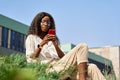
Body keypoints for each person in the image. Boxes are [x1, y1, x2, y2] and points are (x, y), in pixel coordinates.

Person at [25, 12, 106, 80]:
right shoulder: (31, 38)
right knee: (82, 46)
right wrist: (42, 43)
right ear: (38, 22)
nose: (46, 24)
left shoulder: (53, 40)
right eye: (43, 21)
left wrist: (55, 44)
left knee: (92, 67)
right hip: (48, 70)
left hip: (61, 68)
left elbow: (63, 57)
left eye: (49, 23)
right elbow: (31, 59)